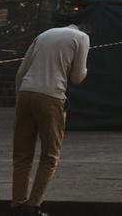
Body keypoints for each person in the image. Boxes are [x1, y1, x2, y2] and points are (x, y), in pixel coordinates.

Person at [11, 19, 90, 215]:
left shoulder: (44, 34)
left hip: (25, 93)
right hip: (51, 97)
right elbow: (77, 78)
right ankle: (33, 206)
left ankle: (17, 204)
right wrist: (85, 68)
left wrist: (19, 99)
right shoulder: (82, 38)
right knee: (49, 155)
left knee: (22, 154)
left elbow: (21, 71)